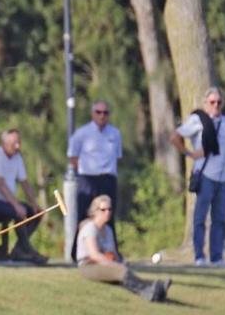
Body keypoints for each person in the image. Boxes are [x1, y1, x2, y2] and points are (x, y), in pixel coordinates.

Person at [170, 87, 225, 265]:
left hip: (224, 177)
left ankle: (217, 257)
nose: (216, 105)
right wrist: (189, 154)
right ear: (205, 103)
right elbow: (175, 136)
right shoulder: (197, 120)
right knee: (200, 217)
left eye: (219, 102)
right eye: (212, 102)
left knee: (220, 219)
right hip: (206, 175)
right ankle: (199, 256)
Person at [77, 195, 170, 302]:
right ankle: (149, 292)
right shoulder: (90, 228)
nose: (107, 212)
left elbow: (113, 254)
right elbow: (94, 255)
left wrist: (121, 261)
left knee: (125, 270)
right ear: (95, 211)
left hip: (104, 263)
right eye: (103, 209)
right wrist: (114, 264)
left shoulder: (108, 230)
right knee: (121, 271)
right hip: (89, 266)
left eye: (109, 209)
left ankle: (156, 289)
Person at [0, 129, 46, 265]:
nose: (17, 146)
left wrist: (34, 204)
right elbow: (0, 184)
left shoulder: (17, 157)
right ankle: (29, 251)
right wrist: (16, 205)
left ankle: (19, 249)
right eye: (14, 143)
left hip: (6, 201)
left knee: (36, 213)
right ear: (4, 143)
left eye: (18, 143)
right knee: (18, 212)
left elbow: (25, 183)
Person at [68, 101, 123, 250]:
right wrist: (84, 173)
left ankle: (111, 251)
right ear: (93, 114)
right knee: (84, 215)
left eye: (105, 113)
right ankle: (78, 251)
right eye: (98, 112)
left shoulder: (115, 133)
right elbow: (73, 156)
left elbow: (117, 156)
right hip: (87, 178)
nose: (102, 116)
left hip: (107, 178)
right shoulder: (82, 133)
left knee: (107, 215)